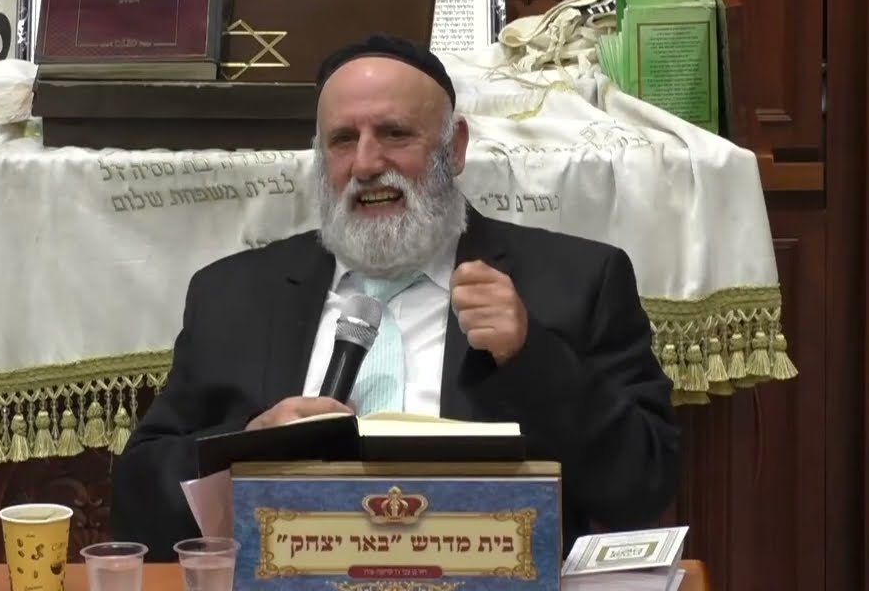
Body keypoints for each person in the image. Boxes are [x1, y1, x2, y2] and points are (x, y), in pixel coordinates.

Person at [110, 34, 680, 561]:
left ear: (455, 148)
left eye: (395, 134)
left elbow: (643, 489)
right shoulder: (232, 295)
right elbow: (138, 500)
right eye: (343, 140)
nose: (366, 164)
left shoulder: (576, 281)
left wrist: (533, 359)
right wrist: (245, 451)